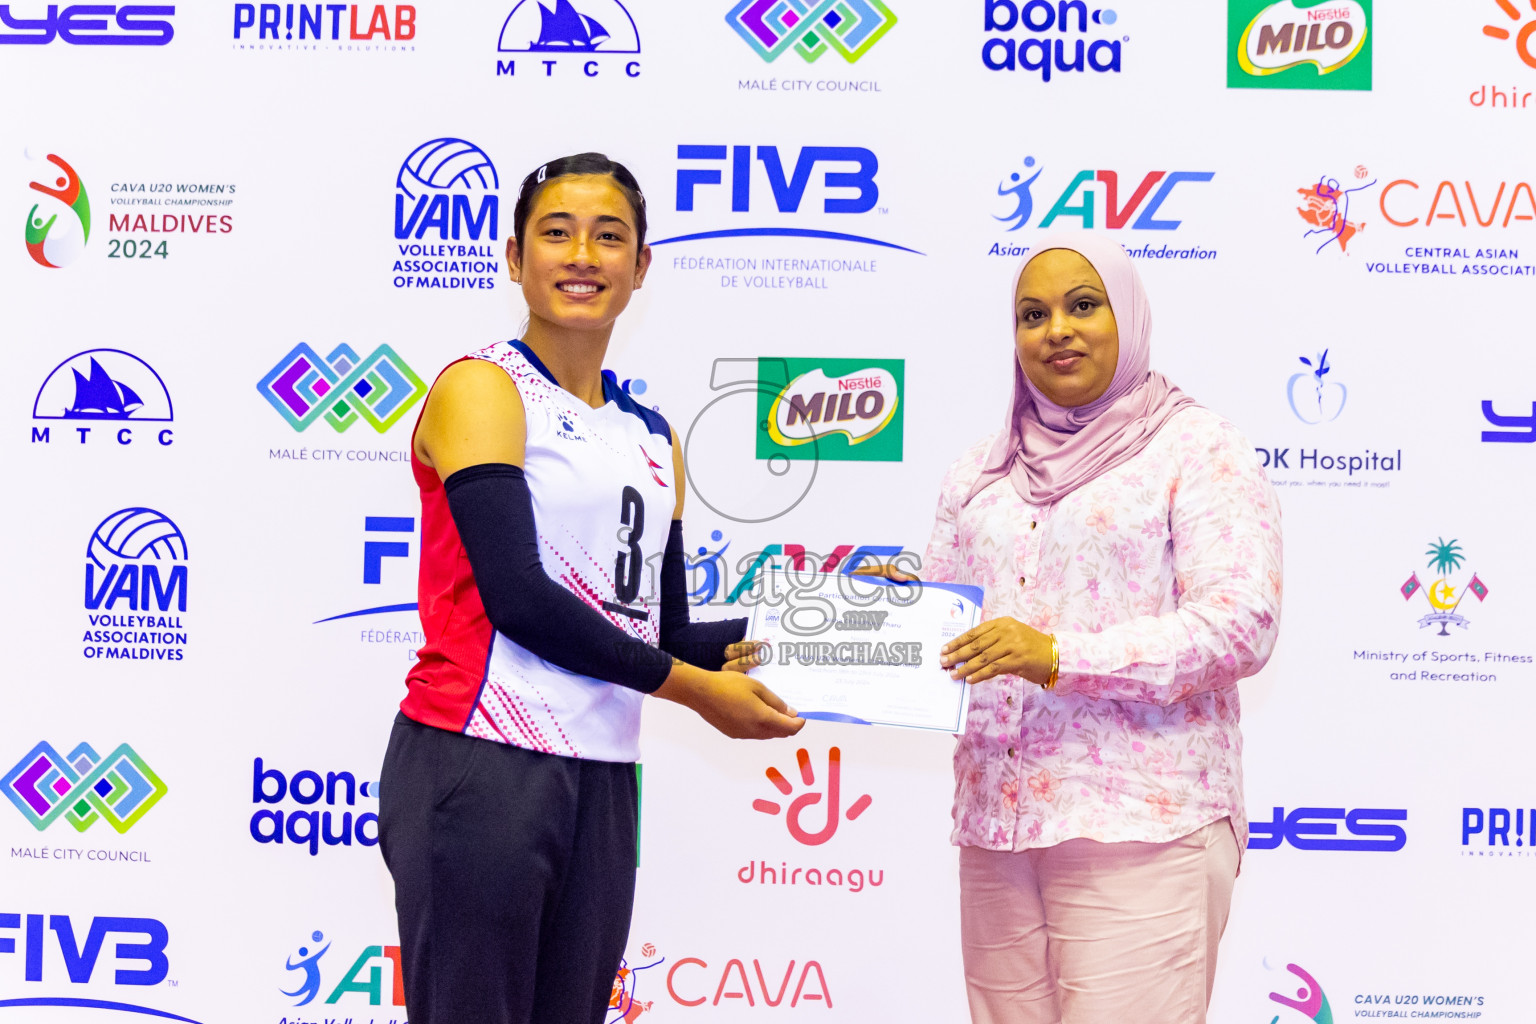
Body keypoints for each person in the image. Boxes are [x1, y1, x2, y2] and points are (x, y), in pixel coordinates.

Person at [377, 152, 802, 1024]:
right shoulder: (483, 388)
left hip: (602, 777)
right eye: (556, 233)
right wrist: (694, 694)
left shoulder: (652, 436)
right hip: (482, 758)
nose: (582, 254)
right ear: (513, 256)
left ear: (641, 267)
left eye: (609, 237)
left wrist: (835, 630)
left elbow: (664, 634)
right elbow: (520, 600)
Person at [874, 232, 1282, 1023]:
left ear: (1127, 317)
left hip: (1143, 821)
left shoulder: (1198, 448)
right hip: (999, 820)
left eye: (1083, 306)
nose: (1055, 329)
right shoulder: (981, 470)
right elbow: (950, 628)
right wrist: (881, 615)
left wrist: (1058, 656)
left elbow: (1242, 624)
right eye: (1032, 314)